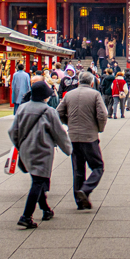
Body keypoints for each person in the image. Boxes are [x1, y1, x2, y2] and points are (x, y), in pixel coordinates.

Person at [10, 80, 72, 229]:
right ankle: (26, 216)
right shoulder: (49, 111)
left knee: (38, 180)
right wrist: (68, 149)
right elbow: (59, 132)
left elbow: (12, 131)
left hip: (26, 149)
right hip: (42, 149)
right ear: (45, 96)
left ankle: (46, 209)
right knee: (38, 182)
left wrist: (19, 144)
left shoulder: (22, 108)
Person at [57, 71, 108, 209]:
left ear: (78, 81)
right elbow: (102, 114)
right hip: (89, 136)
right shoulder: (95, 94)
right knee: (98, 166)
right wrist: (99, 128)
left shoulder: (69, 94)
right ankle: (85, 190)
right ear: (92, 83)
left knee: (78, 169)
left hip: (73, 136)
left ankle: (80, 201)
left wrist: (68, 122)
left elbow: (58, 112)